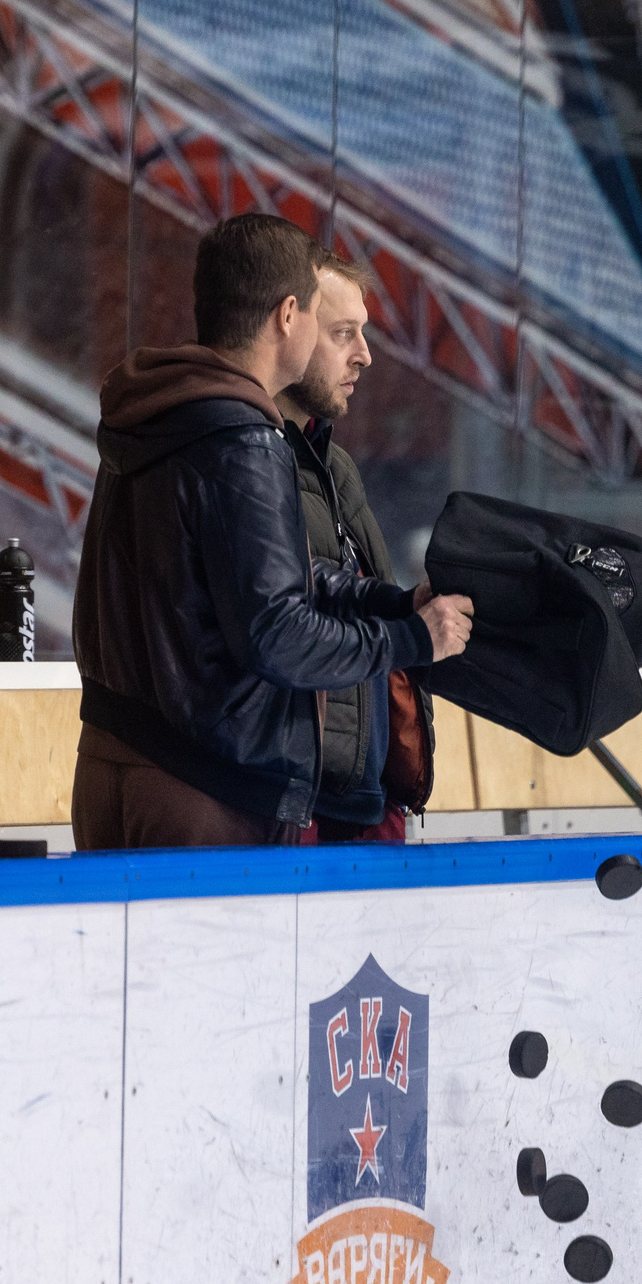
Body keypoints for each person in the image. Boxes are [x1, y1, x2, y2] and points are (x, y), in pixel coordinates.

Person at [71, 213, 473, 849]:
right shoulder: (245, 437)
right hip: (205, 788)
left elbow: (242, 575)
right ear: (289, 315)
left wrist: (385, 601)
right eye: (324, 319)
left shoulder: (163, 412)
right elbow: (276, 632)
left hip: (118, 765)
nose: (353, 351)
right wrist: (411, 639)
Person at [278, 255, 433, 844]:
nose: (364, 355)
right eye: (344, 334)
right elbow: (287, 616)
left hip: (366, 799)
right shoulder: (245, 461)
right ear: (287, 327)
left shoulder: (335, 464)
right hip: (301, 805)